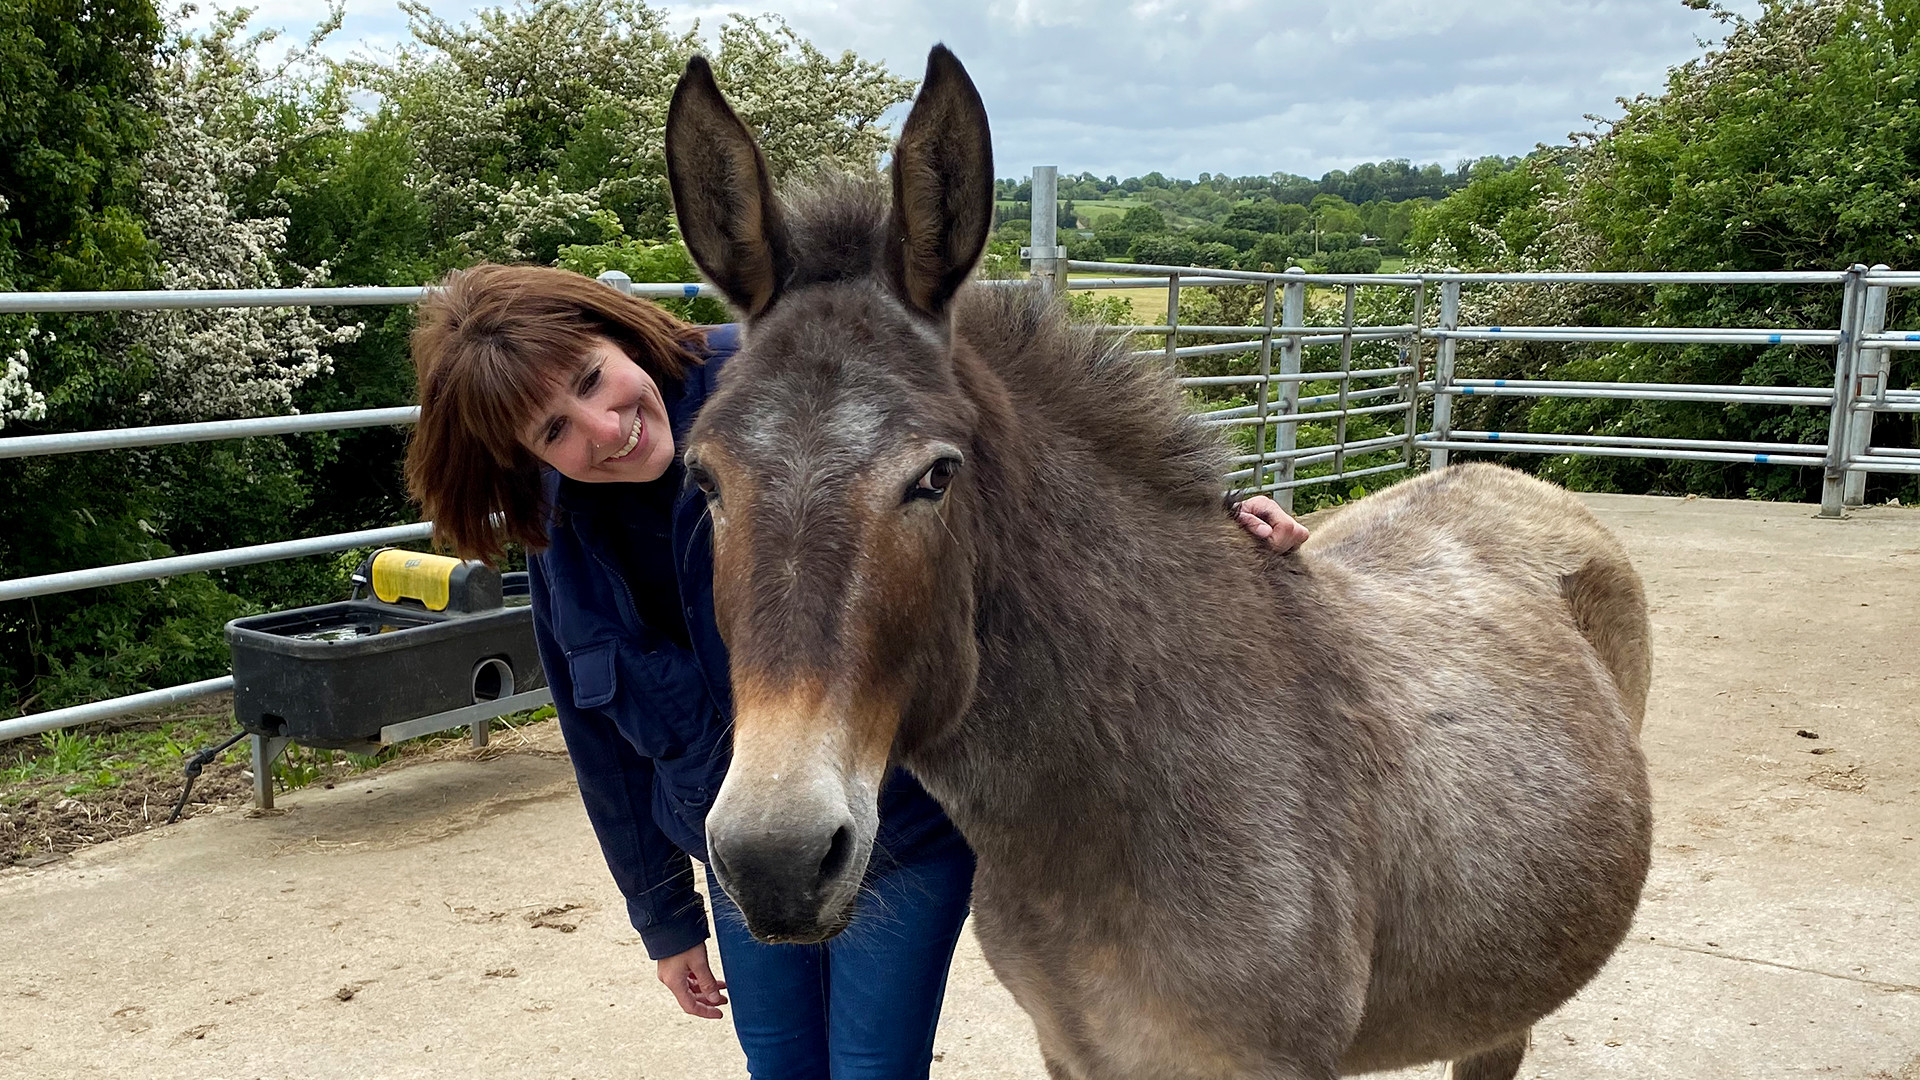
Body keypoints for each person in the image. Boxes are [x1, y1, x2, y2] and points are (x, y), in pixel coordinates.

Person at [402, 263, 1307, 1079]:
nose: (605, 426)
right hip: (741, 835)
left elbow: (1009, 460)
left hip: (896, 828)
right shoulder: (563, 540)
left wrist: (1207, 515)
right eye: (556, 428)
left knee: (872, 1067)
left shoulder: (787, 381)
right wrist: (663, 921)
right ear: (523, 458)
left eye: (595, 378)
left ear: (625, 335)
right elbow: (599, 740)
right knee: (782, 1064)